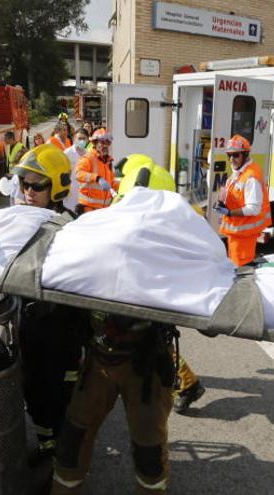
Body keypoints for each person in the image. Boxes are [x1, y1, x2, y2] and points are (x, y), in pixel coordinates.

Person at [52, 163, 183, 493]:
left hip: (147, 364)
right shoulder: (95, 237)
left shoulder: (178, 252)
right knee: (73, 441)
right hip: (99, 359)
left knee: (149, 451)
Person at [10, 145, 88, 470]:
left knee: (63, 396)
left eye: (37, 185)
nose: (29, 191)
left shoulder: (71, 228)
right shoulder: (16, 221)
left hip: (63, 331)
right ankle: (47, 445)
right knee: (33, 390)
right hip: (30, 326)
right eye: (24, 183)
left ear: (56, 186)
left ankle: (67, 458)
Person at [113, 154, 207, 414]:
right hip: (152, 287)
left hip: (154, 290)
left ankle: (188, 385)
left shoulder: (168, 215)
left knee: (156, 341)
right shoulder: (165, 204)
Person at [214, 135, 271, 266]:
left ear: (245, 154)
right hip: (237, 234)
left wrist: (230, 212)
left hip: (244, 236)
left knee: (240, 270)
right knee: (235, 268)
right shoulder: (239, 172)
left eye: (235, 155)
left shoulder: (251, 177)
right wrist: (222, 202)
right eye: (229, 155)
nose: (231, 159)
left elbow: (253, 208)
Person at [75, 129, 115, 214]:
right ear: (94, 143)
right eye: (102, 142)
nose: (105, 145)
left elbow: (112, 183)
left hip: (104, 210)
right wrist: (97, 178)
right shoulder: (88, 158)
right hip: (89, 209)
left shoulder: (107, 161)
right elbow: (78, 174)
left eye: (107, 143)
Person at [62, 127, 90, 212]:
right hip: (70, 192)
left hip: (84, 193)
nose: (81, 141)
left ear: (88, 140)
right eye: (79, 138)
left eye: (84, 138)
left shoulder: (89, 154)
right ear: (74, 139)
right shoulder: (67, 153)